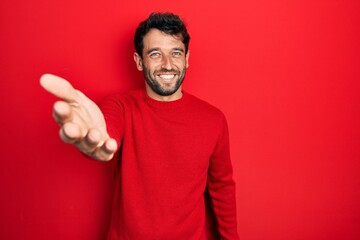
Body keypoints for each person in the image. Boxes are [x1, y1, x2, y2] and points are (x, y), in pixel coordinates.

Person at [40, 12, 239, 240]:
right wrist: (97, 139)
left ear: (187, 59)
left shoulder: (213, 119)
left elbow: (222, 187)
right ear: (139, 60)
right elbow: (106, 133)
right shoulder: (120, 106)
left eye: (176, 53)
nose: (167, 64)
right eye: (155, 54)